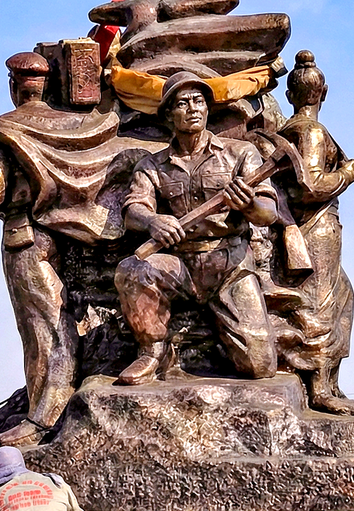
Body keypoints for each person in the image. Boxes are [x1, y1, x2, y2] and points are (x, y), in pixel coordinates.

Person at [113, 71, 279, 385]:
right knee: (133, 269)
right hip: (180, 265)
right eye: (183, 103)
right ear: (167, 115)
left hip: (229, 263)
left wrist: (247, 205)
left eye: (199, 101)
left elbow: (267, 213)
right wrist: (153, 221)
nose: (193, 108)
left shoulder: (240, 154)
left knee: (260, 366)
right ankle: (152, 352)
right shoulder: (152, 165)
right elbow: (133, 210)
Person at [266, 50, 354, 414]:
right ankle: (319, 387)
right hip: (315, 226)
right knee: (319, 305)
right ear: (323, 94)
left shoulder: (287, 130)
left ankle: (330, 381)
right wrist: (349, 173)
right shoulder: (311, 131)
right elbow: (311, 186)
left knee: (343, 296)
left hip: (309, 227)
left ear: (291, 96)